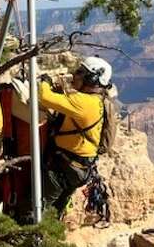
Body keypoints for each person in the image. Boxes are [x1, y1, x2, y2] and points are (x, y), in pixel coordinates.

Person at [38, 56, 113, 216]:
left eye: (80, 72)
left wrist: (45, 81)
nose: (75, 75)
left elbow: (43, 96)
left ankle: (29, 237)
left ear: (92, 78)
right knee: (56, 210)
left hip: (64, 166)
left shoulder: (83, 102)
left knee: (38, 209)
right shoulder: (97, 100)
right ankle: (48, 237)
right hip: (79, 168)